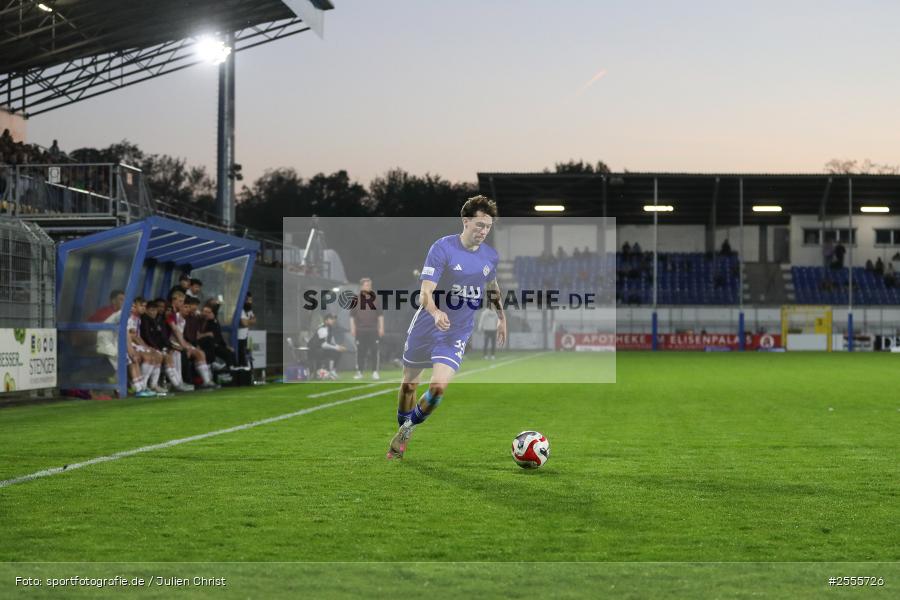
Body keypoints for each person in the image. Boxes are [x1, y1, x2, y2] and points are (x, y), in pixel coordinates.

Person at [387, 195, 506, 460]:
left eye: (487, 227)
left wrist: (501, 316)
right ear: (465, 222)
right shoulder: (442, 248)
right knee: (408, 385)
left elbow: (492, 286)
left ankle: (406, 430)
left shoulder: (490, 257)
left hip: (456, 332)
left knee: (438, 388)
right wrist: (435, 310)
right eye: (479, 225)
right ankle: (402, 432)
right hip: (427, 325)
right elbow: (425, 292)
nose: (483, 231)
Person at [141, 299, 194, 392]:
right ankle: (150, 385)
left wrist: (167, 347)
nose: (154, 312)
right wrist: (157, 348)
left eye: (155, 310)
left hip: (157, 347)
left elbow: (162, 337)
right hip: (148, 347)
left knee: (172, 354)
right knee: (163, 356)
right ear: (146, 310)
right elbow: (147, 336)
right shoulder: (145, 320)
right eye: (151, 310)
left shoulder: (157, 320)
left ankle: (178, 383)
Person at [127, 297, 167, 396]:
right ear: (134, 306)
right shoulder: (130, 318)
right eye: (141, 305)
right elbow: (133, 337)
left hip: (134, 345)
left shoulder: (138, 319)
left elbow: (137, 336)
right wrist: (146, 347)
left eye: (145, 306)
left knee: (158, 355)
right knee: (149, 356)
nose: (143, 308)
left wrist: (147, 347)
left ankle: (152, 385)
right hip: (129, 345)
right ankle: (142, 386)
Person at [351, 278, 384, 380]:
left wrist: (381, 327)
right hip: (360, 330)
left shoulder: (376, 299)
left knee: (374, 351)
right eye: (366, 285)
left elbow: (380, 315)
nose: (368, 287)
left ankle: (374, 372)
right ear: (361, 286)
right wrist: (353, 328)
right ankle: (360, 372)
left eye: (370, 285)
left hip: (373, 330)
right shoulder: (355, 299)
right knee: (361, 352)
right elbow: (352, 316)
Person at [307, 314, 346, 379]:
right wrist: (336, 348)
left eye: (334, 319)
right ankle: (320, 372)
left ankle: (332, 371)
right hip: (314, 351)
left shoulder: (330, 329)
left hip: (322, 350)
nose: (333, 320)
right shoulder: (322, 328)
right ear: (326, 320)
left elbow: (332, 343)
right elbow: (323, 345)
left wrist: (339, 347)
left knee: (337, 352)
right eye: (331, 319)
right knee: (332, 351)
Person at [237, 292, 256, 373]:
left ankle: (248, 372)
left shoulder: (249, 310)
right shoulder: (240, 310)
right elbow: (244, 323)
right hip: (238, 337)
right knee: (241, 356)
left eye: (251, 300)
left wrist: (247, 321)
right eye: (248, 300)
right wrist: (249, 321)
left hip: (245, 336)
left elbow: (254, 320)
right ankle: (243, 372)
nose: (250, 302)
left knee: (247, 355)